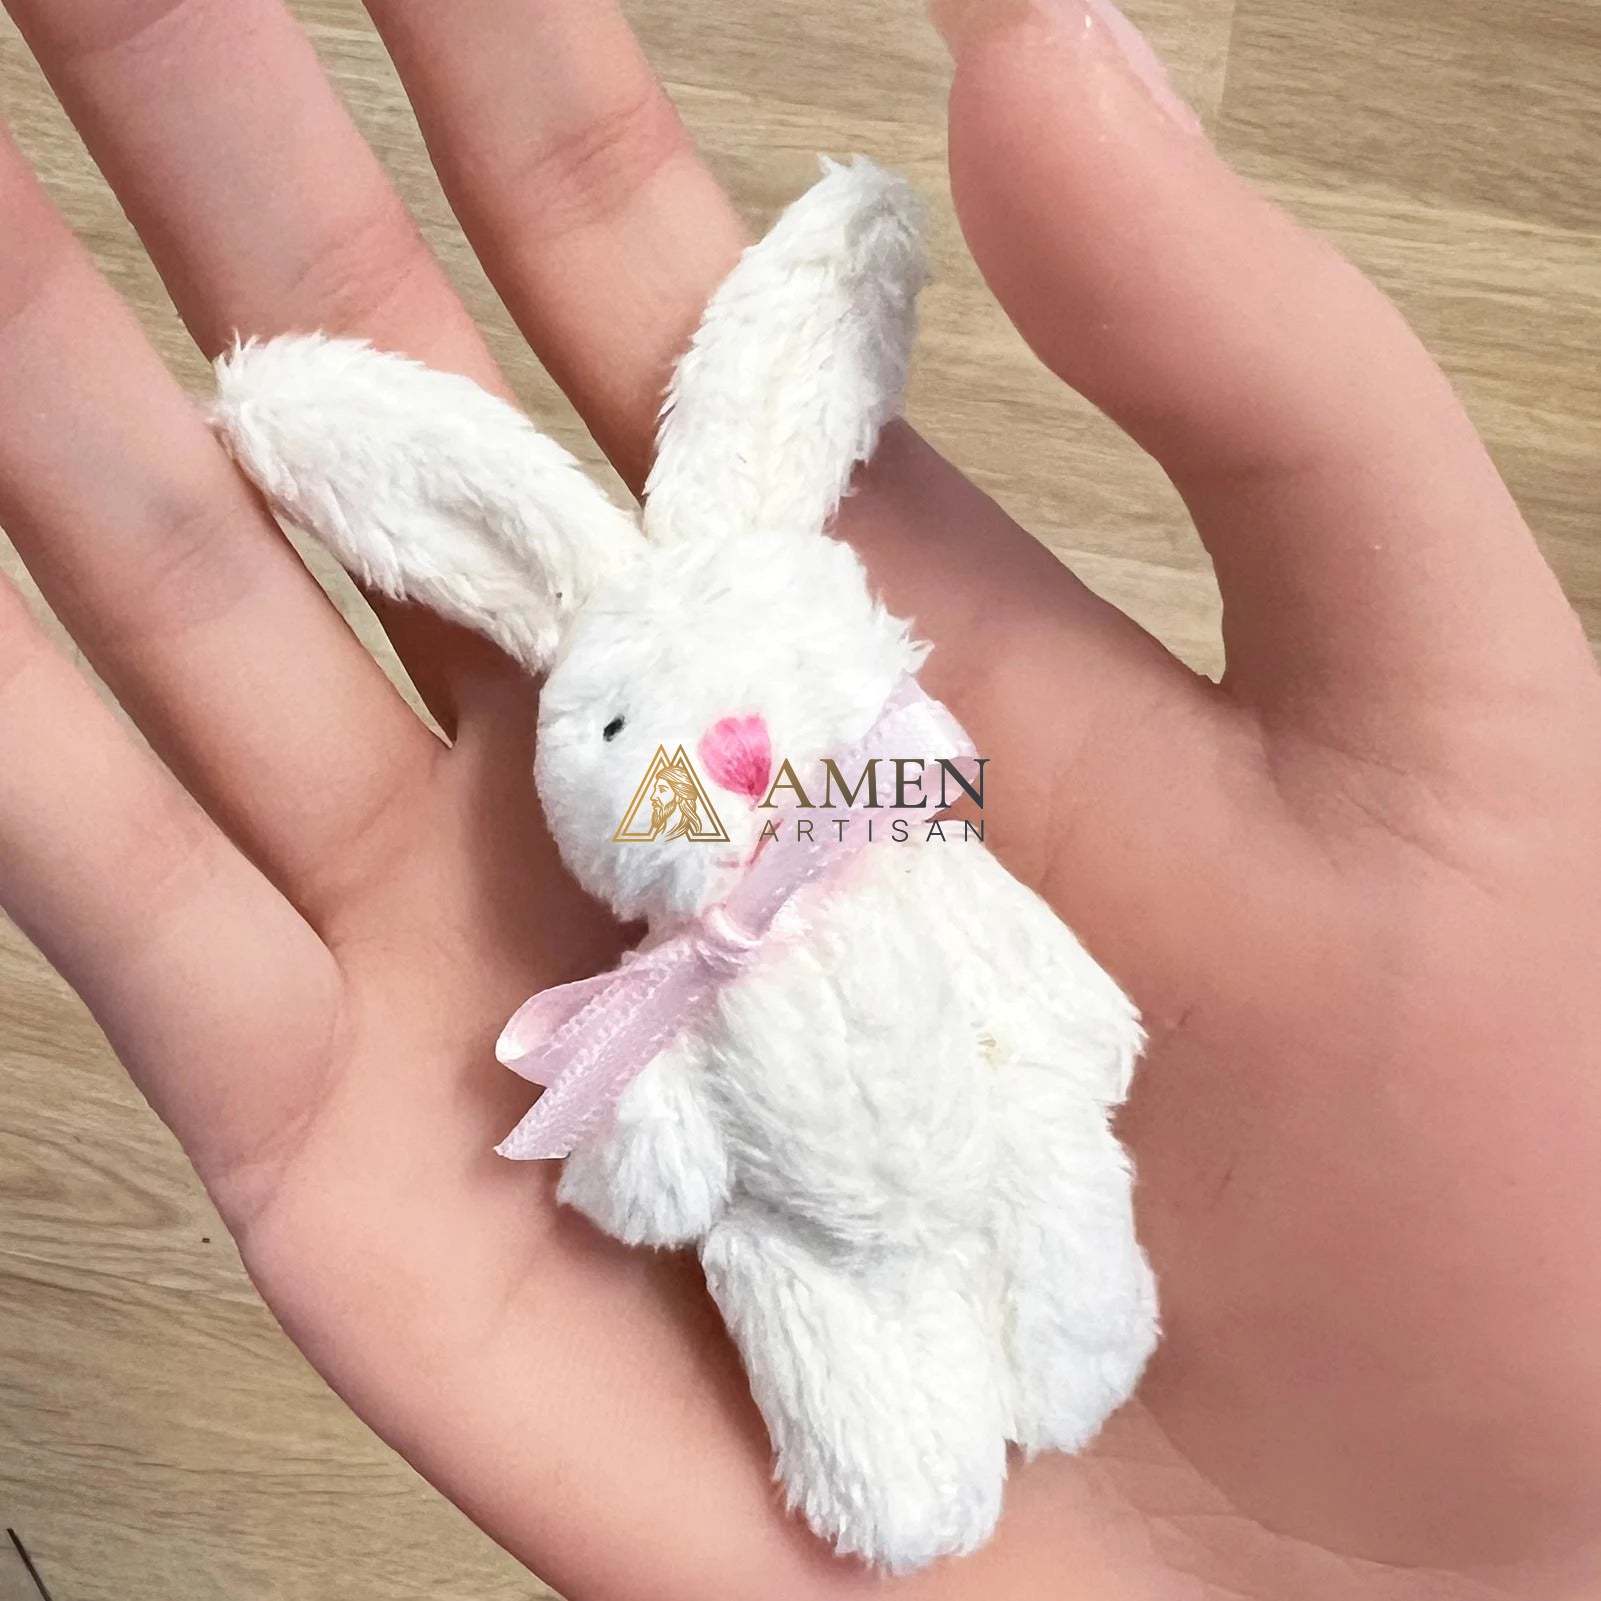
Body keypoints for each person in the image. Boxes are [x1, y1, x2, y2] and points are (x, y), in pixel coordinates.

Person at [0, 2, 1596, 1598]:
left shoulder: (898, 844)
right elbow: (649, 1150)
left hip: (995, 1128)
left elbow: (1019, 968)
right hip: (813, 1232)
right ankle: (898, 1448)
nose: (739, 762)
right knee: (818, 1308)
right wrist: (655, 1148)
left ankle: (1065, 1330)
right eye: (640, 734)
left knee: (1051, 1174)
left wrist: (1064, 1026)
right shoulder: (683, 973)